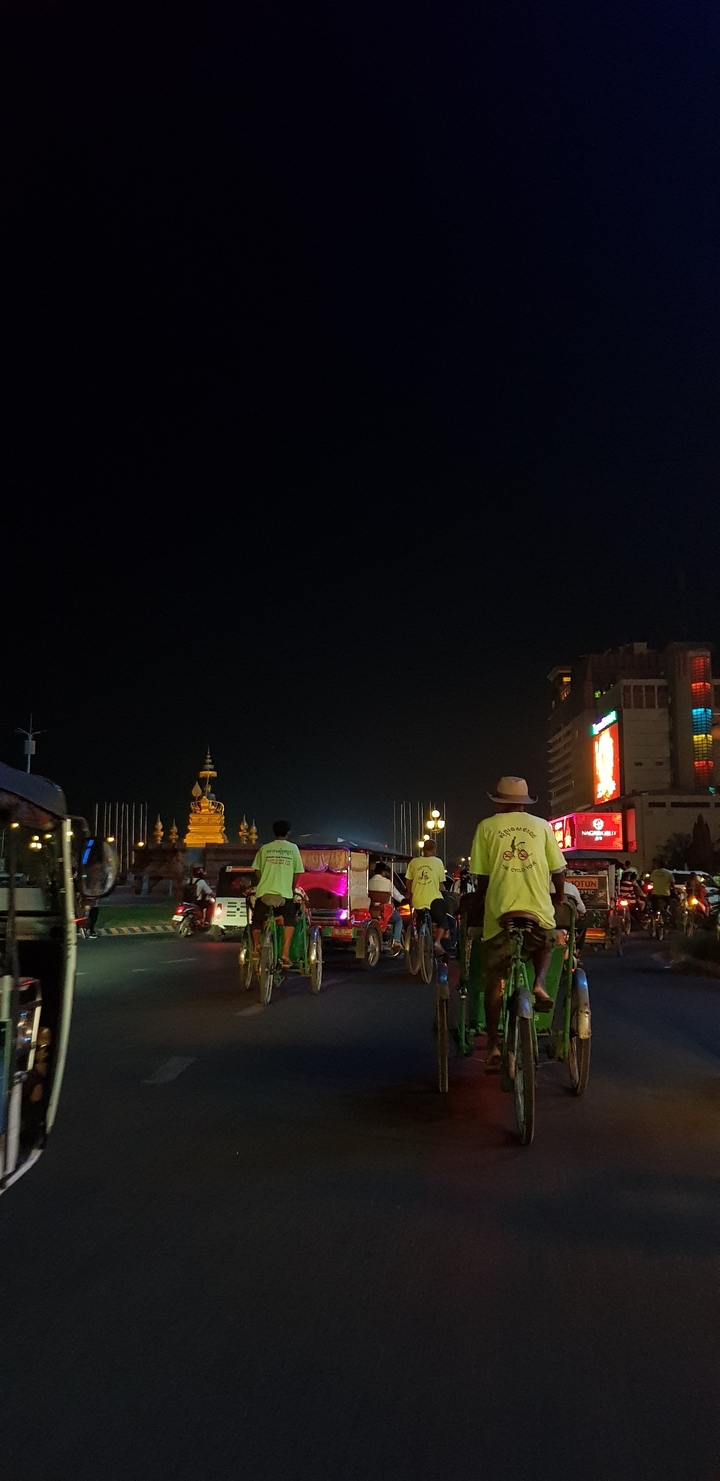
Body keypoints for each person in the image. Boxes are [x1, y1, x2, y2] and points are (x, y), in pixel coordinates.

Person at [469, 775, 566, 1071]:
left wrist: (480, 900)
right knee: (545, 941)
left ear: (499, 802)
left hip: (500, 915)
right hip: (538, 911)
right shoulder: (542, 826)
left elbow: (482, 878)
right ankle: (539, 983)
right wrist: (559, 897)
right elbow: (558, 869)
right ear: (524, 803)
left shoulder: (486, 827)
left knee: (495, 981)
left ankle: (494, 1045)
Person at [252, 821, 304, 967]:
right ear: (288, 833)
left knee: (257, 919)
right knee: (290, 920)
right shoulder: (293, 849)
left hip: (264, 894)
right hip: (284, 895)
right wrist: (291, 888)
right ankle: (285, 954)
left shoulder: (265, 848)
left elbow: (257, 871)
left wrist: (263, 883)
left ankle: (256, 946)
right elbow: (297, 872)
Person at [405, 839, 449, 979]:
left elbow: (408, 881)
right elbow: (440, 886)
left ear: (423, 850)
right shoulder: (438, 862)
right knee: (443, 920)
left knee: (419, 920)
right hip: (434, 901)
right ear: (434, 850)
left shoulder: (414, 862)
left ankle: (420, 942)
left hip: (418, 901)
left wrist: (411, 894)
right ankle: (437, 942)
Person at [368, 861, 405, 954]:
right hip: (384, 911)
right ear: (383, 872)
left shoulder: (369, 882)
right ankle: (396, 940)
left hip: (372, 910)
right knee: (398, 920)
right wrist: (404, 900)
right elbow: (398, 896)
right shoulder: (388, 883)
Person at [648, 858, 675, 923]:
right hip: (665, 894)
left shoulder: (654, 872)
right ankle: (666, 912)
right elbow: (672, 883)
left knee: (653, 907)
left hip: (655, 893)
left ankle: (653, 919)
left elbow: (651, 882)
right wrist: (674, 891)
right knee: (668, 904)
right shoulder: (669, 873)